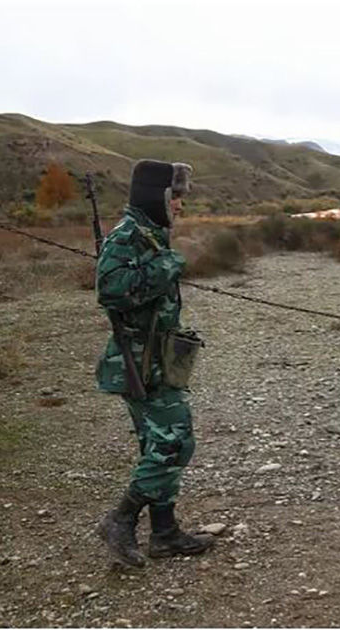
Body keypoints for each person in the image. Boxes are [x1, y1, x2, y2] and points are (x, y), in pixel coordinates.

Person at [94, 159, 213, 567]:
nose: (180, 205)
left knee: (156, 445)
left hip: (159, 360)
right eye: (175, 196)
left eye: (180, 197)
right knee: (173, 442)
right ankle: (120, 519)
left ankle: (164, 533)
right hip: (139, 362)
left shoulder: (151, 234)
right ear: (156, 196)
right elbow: (111, 291)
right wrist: (172, 263)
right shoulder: (127, 237)